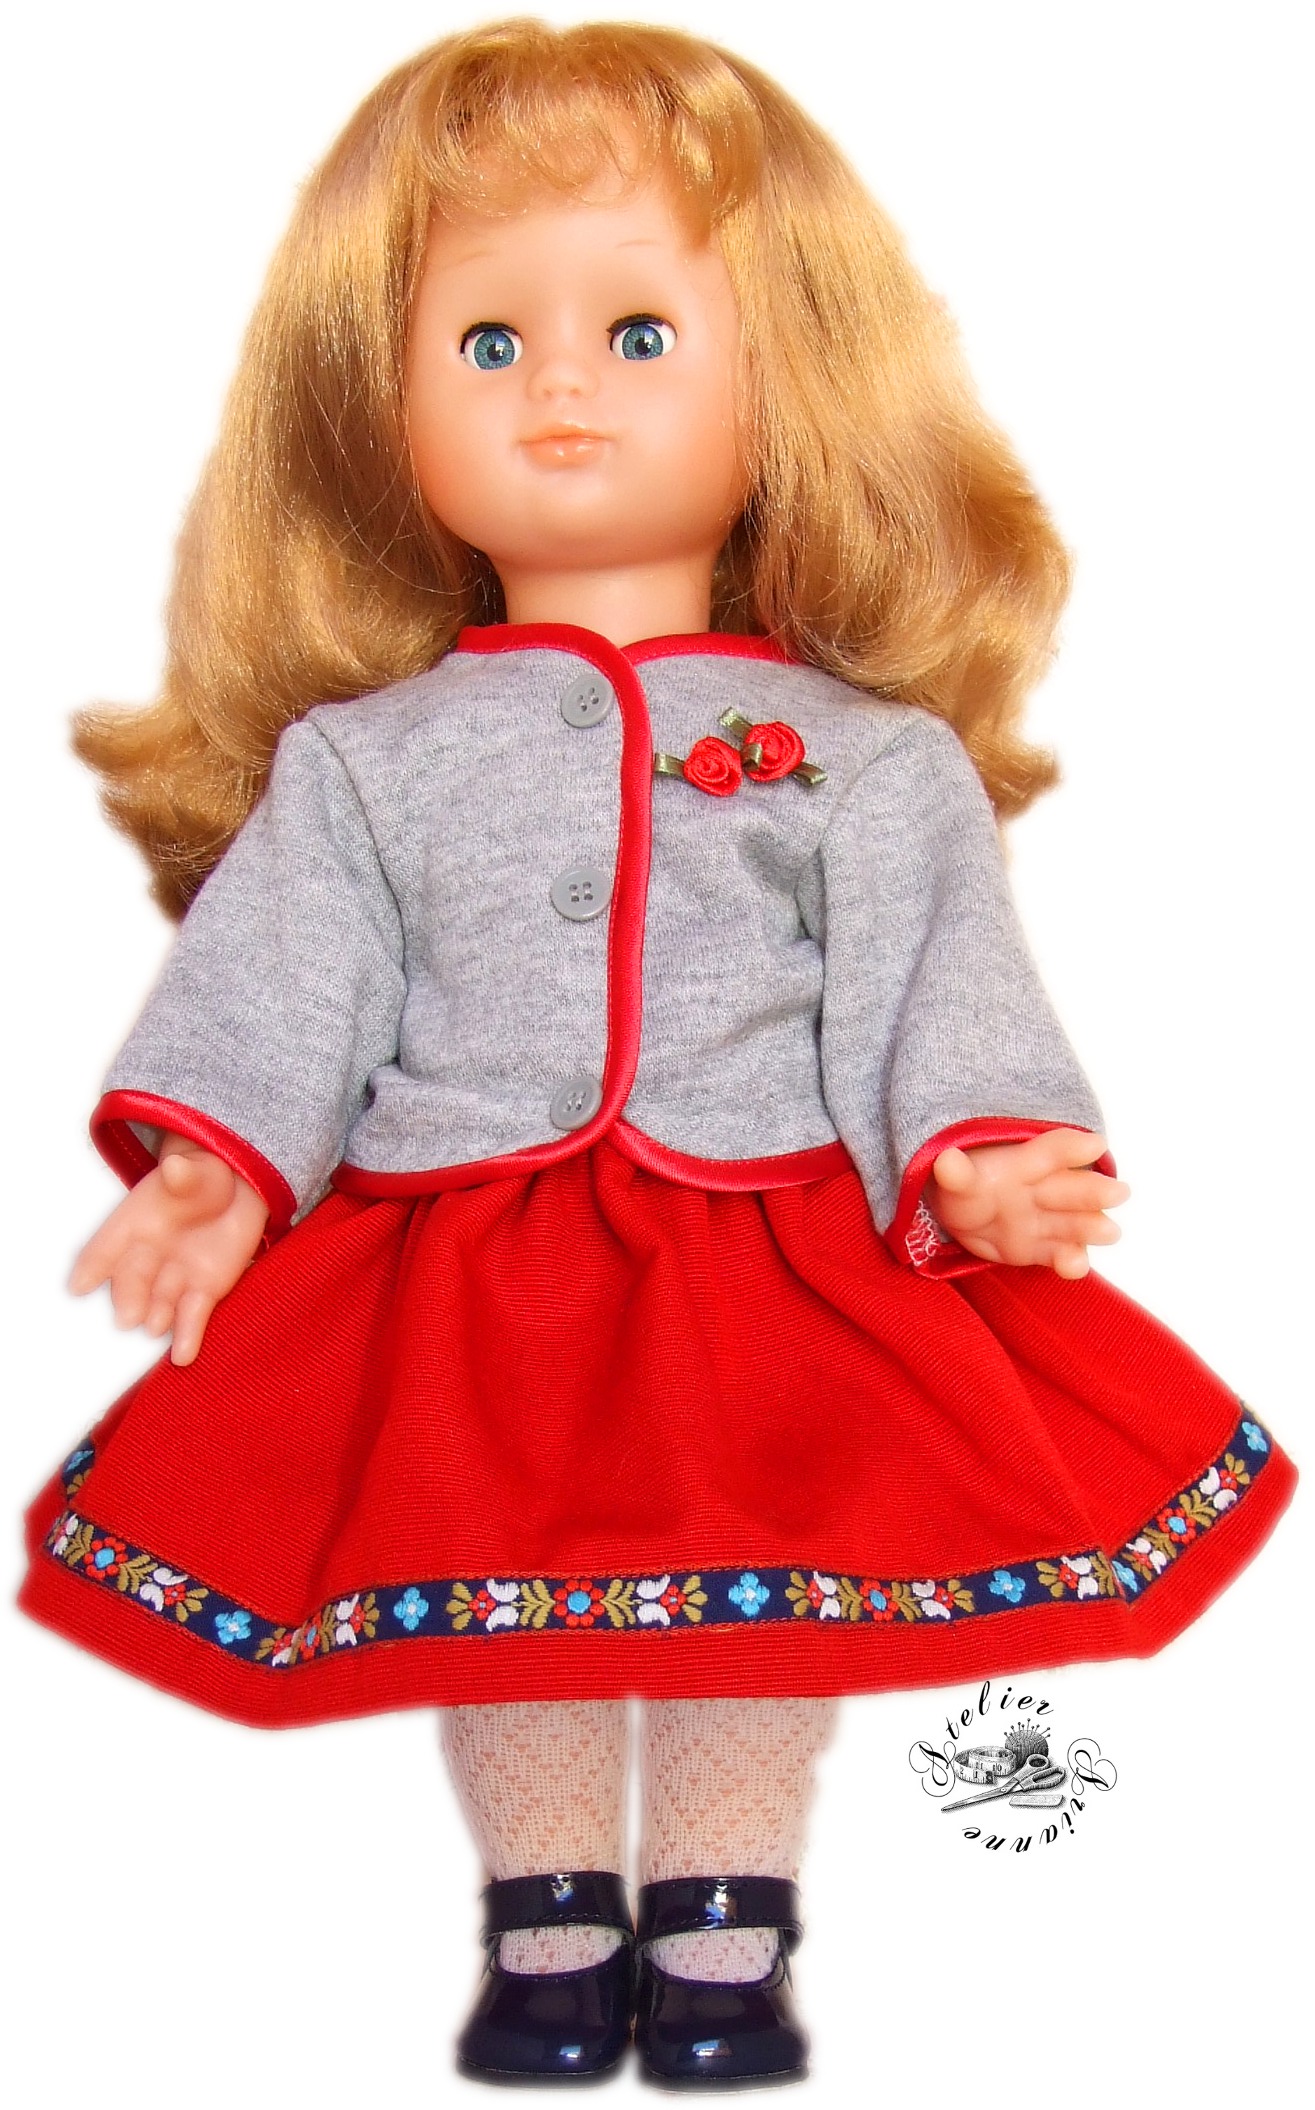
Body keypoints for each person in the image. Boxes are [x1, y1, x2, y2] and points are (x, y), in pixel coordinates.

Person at [18, 18, 1299, 2090]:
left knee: (749, 1584)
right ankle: (545, 1921)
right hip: (471, 1257)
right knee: (506, 1577)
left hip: (762, 1248)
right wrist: (218, 1161)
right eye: (487, 341)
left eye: (635, 331)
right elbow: (291, 977)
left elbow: (935, 975)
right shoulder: (364, 758)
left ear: (792, 376)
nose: (561, 387)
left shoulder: (865, 754)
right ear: (380, 401)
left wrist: (980, 1149)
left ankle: (723, 1920)